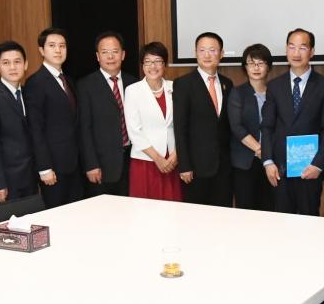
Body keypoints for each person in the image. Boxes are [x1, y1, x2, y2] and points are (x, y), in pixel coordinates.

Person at [261, 28, 324, 216]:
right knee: (282, 222)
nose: (296, 53)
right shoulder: (274, 86)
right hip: (279, 170)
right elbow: (267, 126)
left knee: (309, 220)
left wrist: (318, 165)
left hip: (310, 169)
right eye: (291, 47)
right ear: (286, 49)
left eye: (302, 48)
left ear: (312, 52)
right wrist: (268, 161)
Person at [24, 27, 83, 208]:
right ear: (41, 50)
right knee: (56, 216)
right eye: (52, 45)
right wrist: (44, 167)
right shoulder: (35, 82)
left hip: (74, 164)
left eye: (62, 46)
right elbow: (35, 128)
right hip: (53, 167)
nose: (58, 50)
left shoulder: (68, 80)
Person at [173, 32, 233, 207]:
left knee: (223, 214)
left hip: (223, 167)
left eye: (212, 50)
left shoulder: (227, 83)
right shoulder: (183, 84)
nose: (207, 55)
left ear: (221, 54)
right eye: (202, 50)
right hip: (196, 168)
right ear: (195, 53)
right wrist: (184, 165)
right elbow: (180, 128)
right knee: (197, 217)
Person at [77, 31, 137, 197]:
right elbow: (84, 129)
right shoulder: (85, 86)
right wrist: (91, 164)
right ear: (98, 56)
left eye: (115, 51)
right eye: (105, 52)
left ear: (123, 55)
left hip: (132, 159)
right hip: (102, 165)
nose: (110, 57)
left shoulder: (133, 82)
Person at [0, 40, 38, 203]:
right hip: (8, 180)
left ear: (25, 65)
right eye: (6, 63)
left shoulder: (29, 94)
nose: (12, 67)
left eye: (17, 62)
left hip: (31, 176)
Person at [124, 42, 182, 201]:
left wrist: (176, 155)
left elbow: (182, 125)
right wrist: (158, 159)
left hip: (172, 160)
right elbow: (134, 131)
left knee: (173, 207)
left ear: (165, 64)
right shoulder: (133, 90)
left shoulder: (175, 87)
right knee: (145, 209)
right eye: (148, 61)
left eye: (157, 61)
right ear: (142, 65)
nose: (153, 66)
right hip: (146, 160)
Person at [228, 44, 275, 211]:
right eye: (251, 63)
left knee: (270, 209)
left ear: (268, 67)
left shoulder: (276, 92)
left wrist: (268, 154)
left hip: (272, 162)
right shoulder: (237, 93)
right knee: (246, 211)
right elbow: (236, 127)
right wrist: (261, 150)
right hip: (245, 163)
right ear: (245, 67)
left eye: (261, 63)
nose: (256, 67)